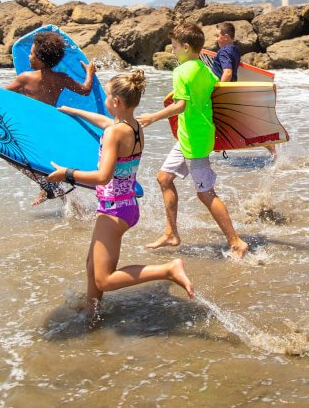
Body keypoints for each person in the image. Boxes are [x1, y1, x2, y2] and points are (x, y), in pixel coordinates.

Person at [47, 69, 194, 323]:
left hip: (114, 209)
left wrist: (67, 174)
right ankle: (92, 315)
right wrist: (75, 111)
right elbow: (104, 122)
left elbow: (103, 177)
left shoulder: (116, 132)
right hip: (125, 205)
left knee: (104, 278)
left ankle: (168, 270)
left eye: (106, 96)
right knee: (92, 267)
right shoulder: (134, 127)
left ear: (116, 102)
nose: (104, 101)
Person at [137, 22, 249, 259]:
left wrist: (152, 117)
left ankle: (236, 241)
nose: (172, 50)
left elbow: (180, 105)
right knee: (164, 177)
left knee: (205, 193)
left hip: (194, 142)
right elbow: (216, 94)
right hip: (195, 135)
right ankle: (171, 233)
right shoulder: (204, 69)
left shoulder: (181, 72)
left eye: (175, 46)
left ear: (186, 47)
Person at [5, 31, 96, 204]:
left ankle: (48, 187)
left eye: (32, 54)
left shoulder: (25, 78)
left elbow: (0, 97)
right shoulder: (61, 78)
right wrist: (89, 72)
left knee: (14, 159)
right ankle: (60, 196)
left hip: (30, 128)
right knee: (49, 164)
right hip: (52, 126)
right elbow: (85, 90)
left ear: (40, 59)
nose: (29, 57)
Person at [211, 22, 277, 159]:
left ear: (226, 36)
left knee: (222, 123)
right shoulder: (234, 49)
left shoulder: (223, 52)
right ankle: (273, 149)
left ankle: (204, 153)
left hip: (224, 95)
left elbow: (228, 72)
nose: (216, 39)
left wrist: (218, 92)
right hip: (232, 91)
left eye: (218, 36)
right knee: (242, 125)